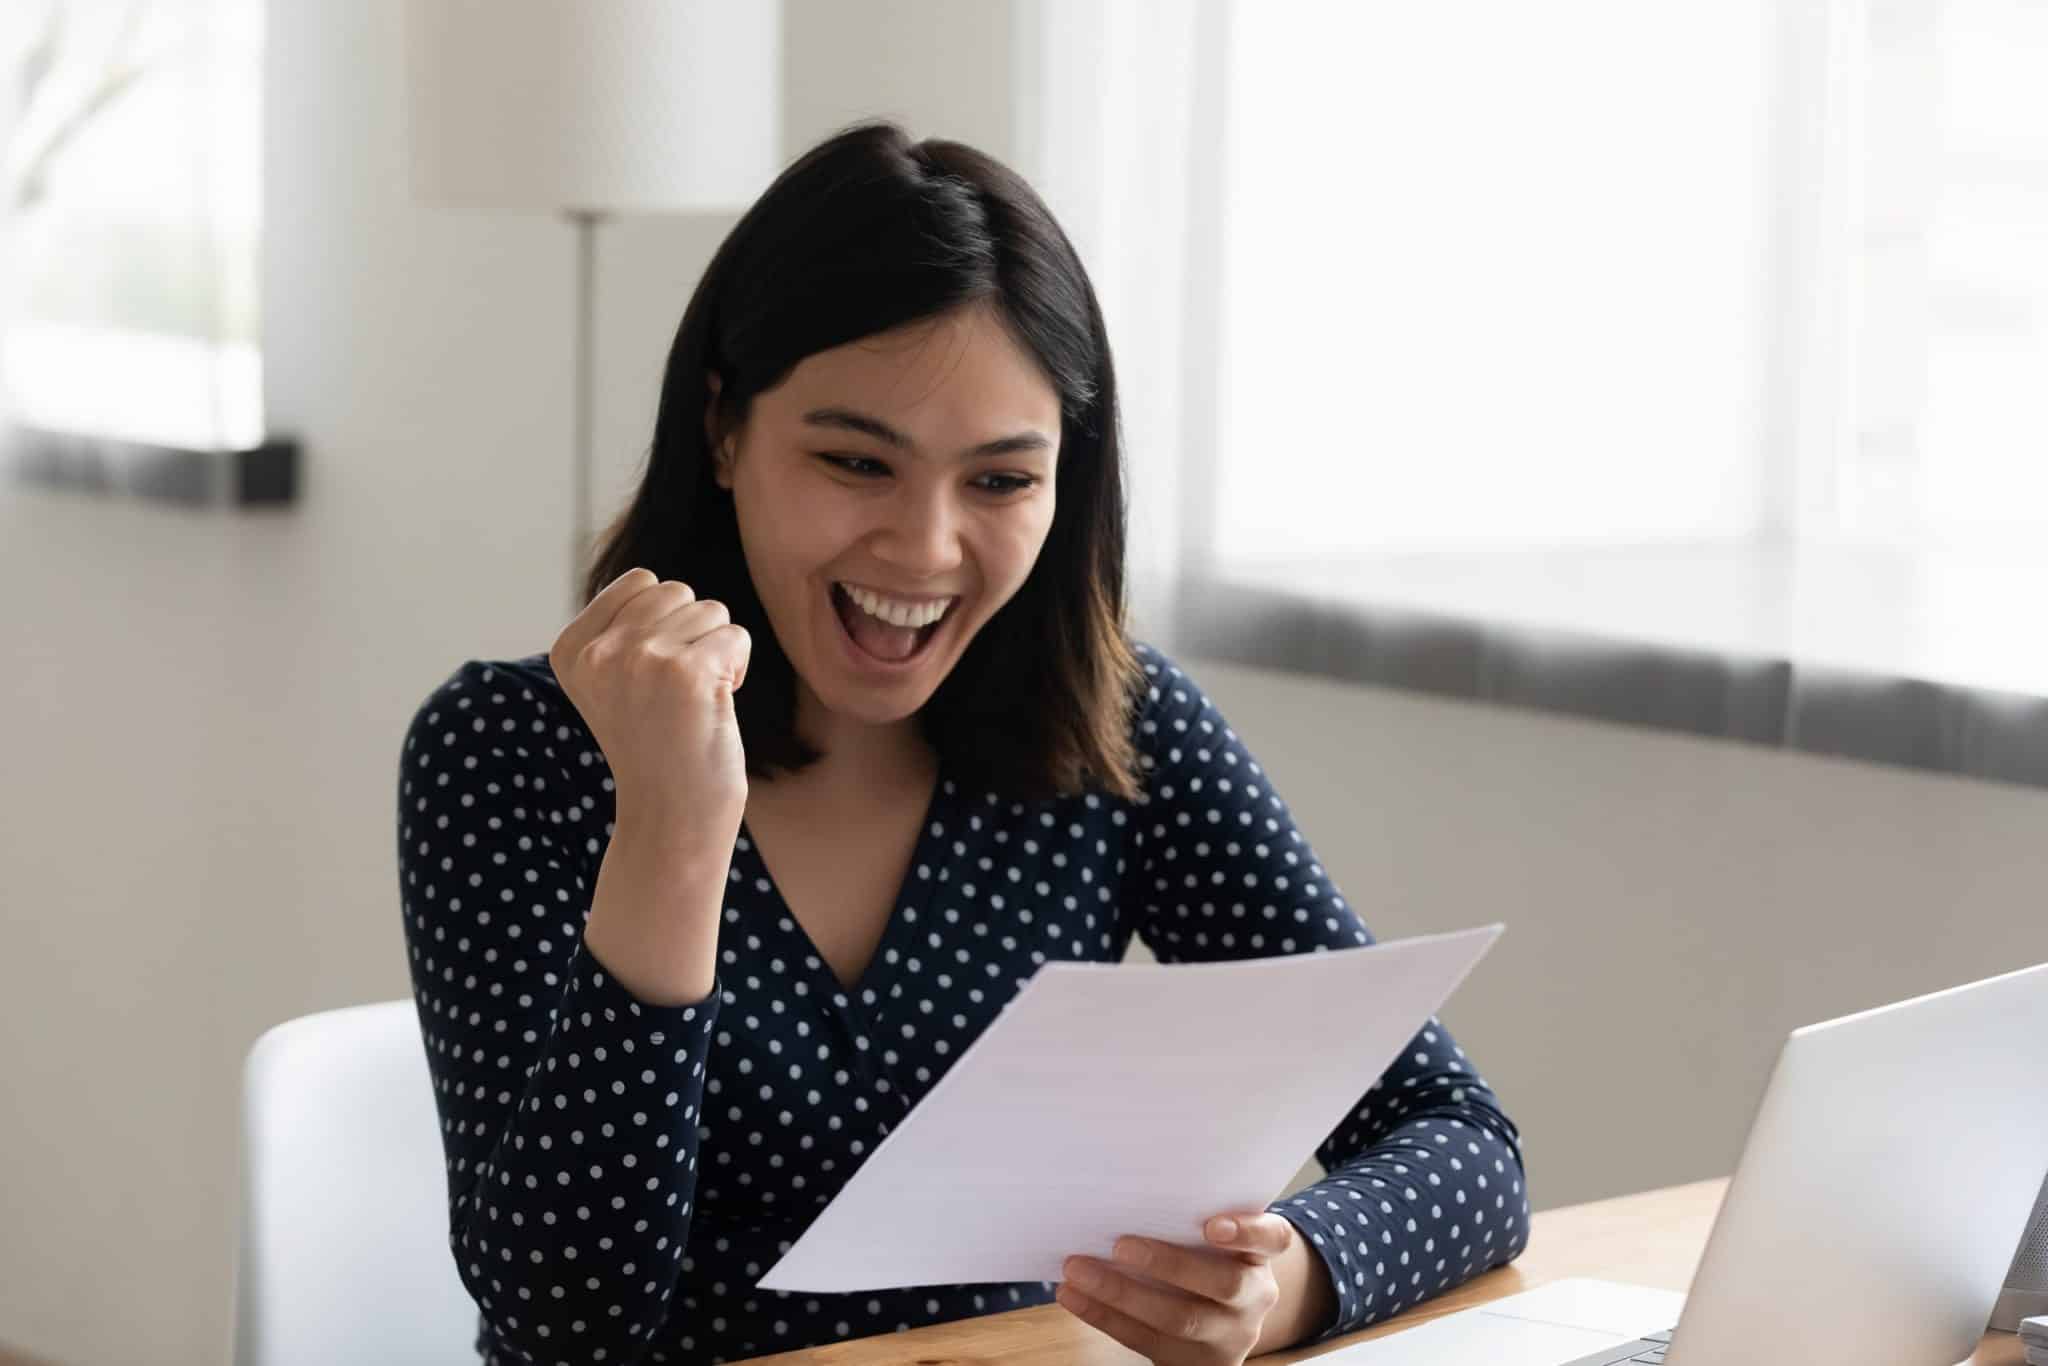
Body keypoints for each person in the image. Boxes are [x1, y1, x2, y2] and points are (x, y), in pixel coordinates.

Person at [397, 120, 1529, 1366]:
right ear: (723, 427)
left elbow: (1458, 1138)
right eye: (853, 461)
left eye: (998, 482)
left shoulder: (1112, 730)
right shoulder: (509, 752)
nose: (924, 548)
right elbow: (569, 1323)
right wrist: (674, 823)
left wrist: (1289, 1279)